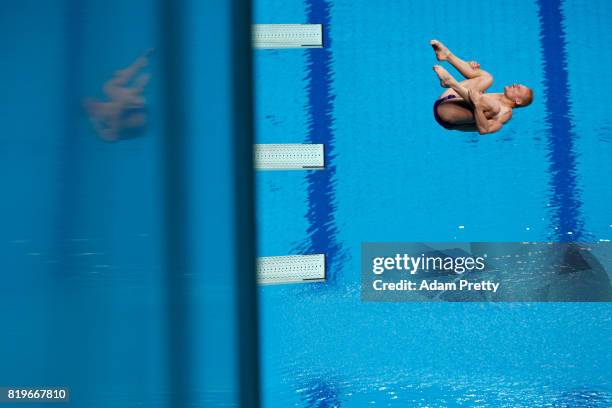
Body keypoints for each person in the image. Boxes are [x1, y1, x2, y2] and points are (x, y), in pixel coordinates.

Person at [430, 40, 533, 134]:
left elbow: (485, 130)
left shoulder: (505, 113)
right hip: (448, 98)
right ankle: (447, 55)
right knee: (487, 78)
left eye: (518, 88)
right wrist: (471, 67)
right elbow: (477, 95)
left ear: (517, 101)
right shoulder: (499, 96)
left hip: (446, 115)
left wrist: (478, 107)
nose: (515, 84)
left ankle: (451, 82)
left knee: (493, 106)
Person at [84, 49, 152, 141]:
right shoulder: (106, 124)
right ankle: (141, 65)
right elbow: (111, 136)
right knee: (111, 92)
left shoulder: (109, 95)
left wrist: (139, 63)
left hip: (137, 109)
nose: (93, 102)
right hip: (138, 117)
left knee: (109, 89)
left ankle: (141, 63)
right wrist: (138, 88)